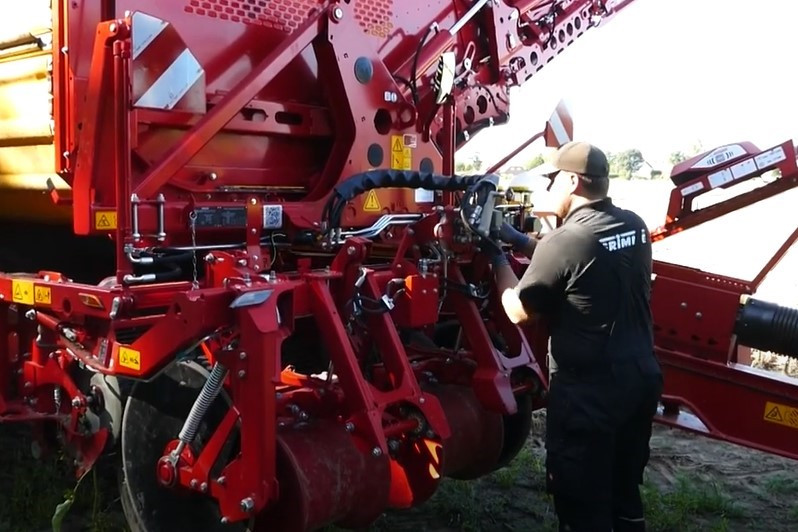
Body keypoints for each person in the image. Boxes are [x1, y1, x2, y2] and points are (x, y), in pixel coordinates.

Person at [486, 141, 664, 531]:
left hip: (591, 395)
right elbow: (578, 264)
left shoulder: (566, 241)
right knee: (623, 490)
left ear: (572, 181)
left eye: (551, 179)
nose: (547, 188)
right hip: (640, 378)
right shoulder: (633, 225)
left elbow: (518, 309)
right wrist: (518, 240)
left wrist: (497, 260)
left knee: (582, 502)